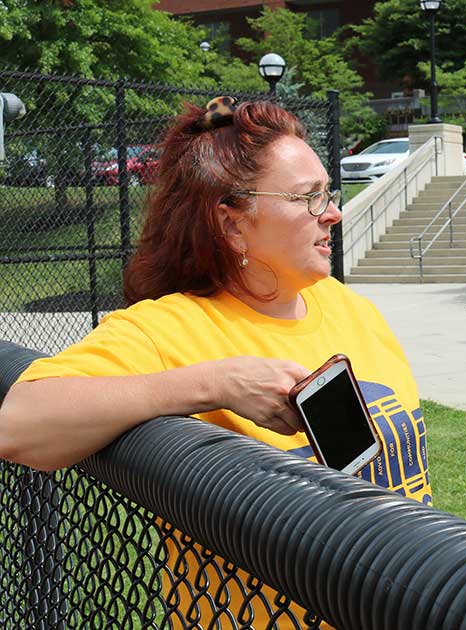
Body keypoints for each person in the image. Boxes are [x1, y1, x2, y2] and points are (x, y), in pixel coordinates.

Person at [0, 98, 432, 623]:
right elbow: (18, 424)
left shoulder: (350, 306)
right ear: (231, 224)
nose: (333, 213)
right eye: (307, 198)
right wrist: (215, 382)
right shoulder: (168, 328)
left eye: (329, 193)